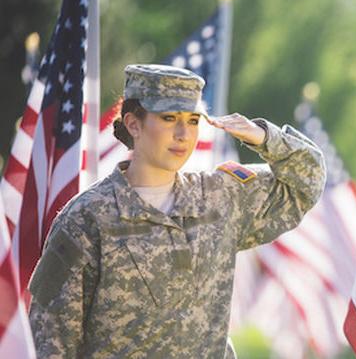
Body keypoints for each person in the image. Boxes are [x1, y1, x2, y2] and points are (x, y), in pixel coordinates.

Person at [28, 64, 326, 358]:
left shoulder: (219, 198)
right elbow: (51, 335)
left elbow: (306, 182)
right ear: (133, 124)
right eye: (169, 118)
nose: (184, 133)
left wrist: (264, 137)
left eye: (193, 120)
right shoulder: (87, 217)